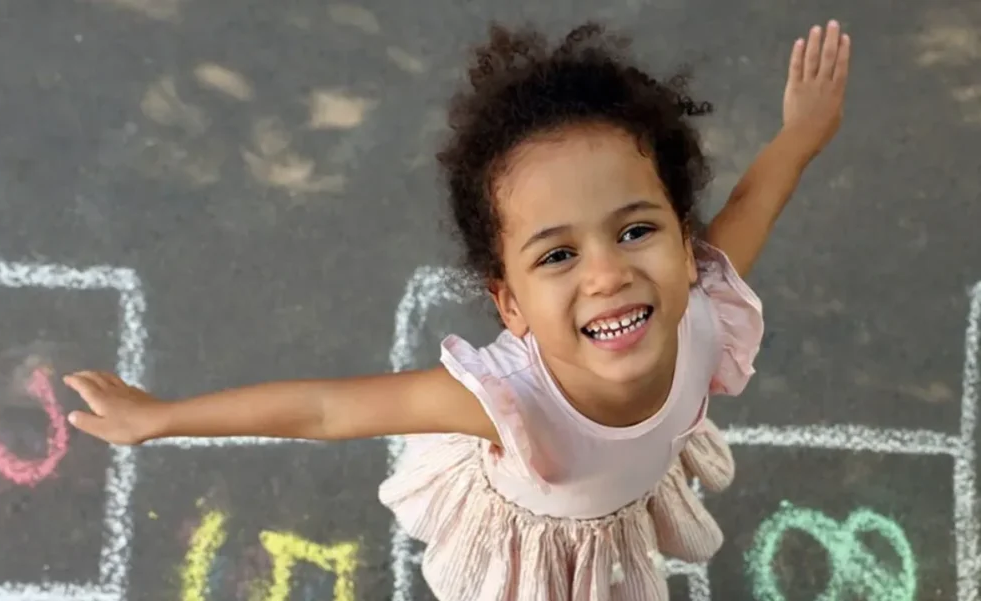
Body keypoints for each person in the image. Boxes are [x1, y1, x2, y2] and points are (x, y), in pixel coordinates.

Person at [63, 18, 850, 601]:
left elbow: (753, 201)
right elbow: (324, 408)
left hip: (613, 505)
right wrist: (160, 418)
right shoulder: (508, 402)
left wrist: (802, 134)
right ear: (509, 303)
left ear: (683, 244)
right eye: (557, 255)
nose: (608, 273)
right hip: (533, 536)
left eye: (635, 230)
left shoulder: (703, 303)